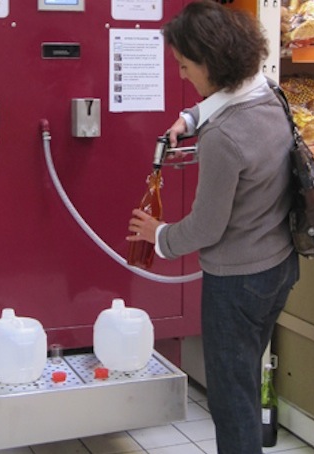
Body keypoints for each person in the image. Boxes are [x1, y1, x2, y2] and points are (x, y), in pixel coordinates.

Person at [126, 1, 300, 452]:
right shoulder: (269, 93)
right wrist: (189, 118)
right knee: (243, 376)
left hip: (237, 283)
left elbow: (206, 228)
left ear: (211, 62)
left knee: (231, 400)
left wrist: (157, 234)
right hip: (279, 266)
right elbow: (229, 101)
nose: (182, 75)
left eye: (185, 66)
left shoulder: (224, 137)